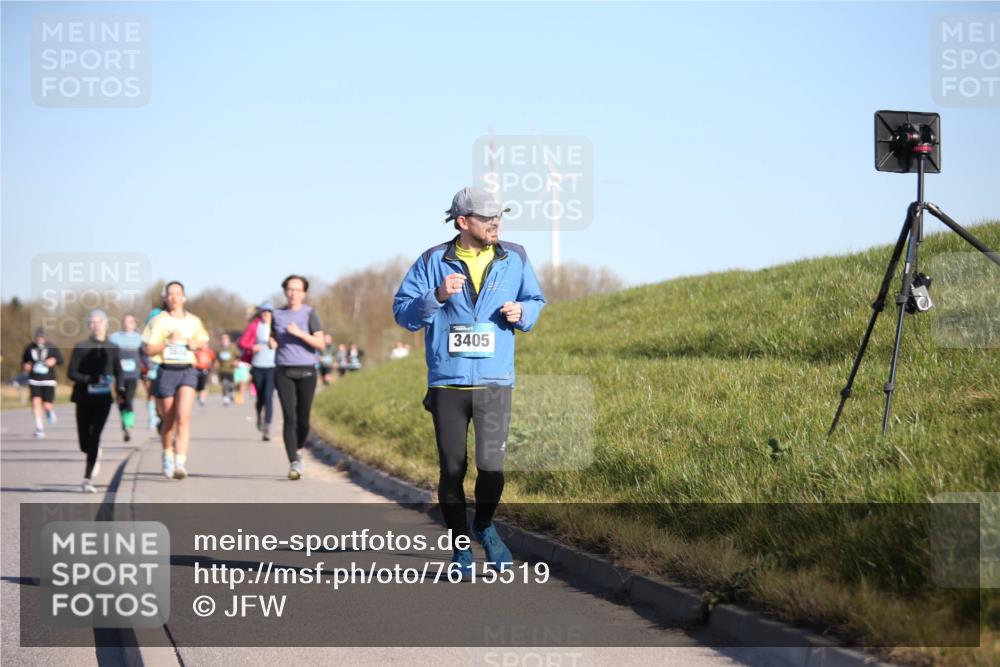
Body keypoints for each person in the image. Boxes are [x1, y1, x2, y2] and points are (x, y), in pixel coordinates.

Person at [393, 186, 545, 578]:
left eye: (499, 216)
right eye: (487, 217)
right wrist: (437, 295)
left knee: (491, 468)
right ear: (463, 222)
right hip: (449, 382)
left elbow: (536, 300)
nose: (496, 223)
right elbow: (404, 313)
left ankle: (484, 524)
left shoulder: (515, 257)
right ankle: (461, 546)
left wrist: (522, 311)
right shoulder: (431, 261)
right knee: (453, 469)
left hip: (495, 380)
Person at [142, 281, 210, 480]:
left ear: (184, 297)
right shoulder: (159, 321)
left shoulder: (194, 321)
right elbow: (148, 349)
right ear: (166, 298)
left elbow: (203, 341)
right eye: (170, 294)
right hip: (166, 371)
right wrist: (166, 343)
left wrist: (192, 343)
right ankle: (167, 456)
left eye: (177, 293)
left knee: (183, 417)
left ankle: (180, 463)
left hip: (187, 370)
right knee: (169, 421)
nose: (174, 297)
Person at [272, 275, 326, 480]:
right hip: (283, 371)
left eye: (297, 289)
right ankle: (294, 461)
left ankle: (299, 449)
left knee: (303, 419)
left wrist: (300, 334)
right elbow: (272, 336)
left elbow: (320, 343)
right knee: (290, 417)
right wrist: (270, 342)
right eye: (290, 289)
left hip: (307, 371)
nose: (293, 293)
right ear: (285, 291)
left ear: (304, 293)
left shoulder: (310, 314)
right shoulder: (277, 314)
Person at [67, 310, 121, 493]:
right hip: (83, 397)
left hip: (103, 398)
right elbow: (71, 373)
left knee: (95, 434)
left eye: (99, 322)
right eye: (92, 322)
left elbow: (119, 371)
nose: (96, 325)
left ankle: (87, 479)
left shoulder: (113, 347)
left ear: (106, 324)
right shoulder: (81, 346)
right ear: (89, 326)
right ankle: (94, 452)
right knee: (84, 441)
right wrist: (89, 379)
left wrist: (119, 388)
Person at [239, 301, 278, 440]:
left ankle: (267, 427)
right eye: (264, 311)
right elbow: (242, 342)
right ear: (260, 313)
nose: (266, 314)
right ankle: (259, 416)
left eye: (269, 312)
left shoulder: (276, 326)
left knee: (269, 397)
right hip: (257, 366)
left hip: (272, 367)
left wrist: (276, 343)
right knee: (260, 397)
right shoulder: (255, 325)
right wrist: (252, 347)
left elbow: (285, 342)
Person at [21, 328, 64, 438]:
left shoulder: (52, 347)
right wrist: (26, 366)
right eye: (38, 337)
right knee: (35, 403)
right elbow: (24, 362)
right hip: (34, 379)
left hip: (48, 380)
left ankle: (49, 411)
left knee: (47, 405)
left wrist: (53, 361)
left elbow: (60, 360)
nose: (39, 339)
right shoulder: (29, 347)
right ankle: (39, 428)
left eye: (42, 337)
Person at [109, 314, 144, 441]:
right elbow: (109, 356)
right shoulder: (114, 338)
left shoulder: (139, 339)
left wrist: (149, 369)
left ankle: (128, 426)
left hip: (133, 376)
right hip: (118, 376)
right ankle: (125, 423)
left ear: (135, 324)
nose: (127, 324)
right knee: (121, 401)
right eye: (125, 321)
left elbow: (144, 355)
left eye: (130, 321)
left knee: (129, 400)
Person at [215, 333, 239, 406]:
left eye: (226, 339)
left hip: (231, 369)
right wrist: (216, 362)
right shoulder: (219, 348)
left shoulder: (233, 347)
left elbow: (237, 356)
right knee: (224, 383)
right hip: (222, 369)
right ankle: (225, 397)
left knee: (231, 384)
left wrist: (236, 361)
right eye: (223, 339)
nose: (224, 340)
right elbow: (216, 357)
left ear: (229, 340)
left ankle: (231, 392)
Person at [193, 341, 216, 407]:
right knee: (196, 385)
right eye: (202, 344)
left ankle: (202, 399)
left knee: (203, 385)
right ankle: (197, 396)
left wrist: (212, 366)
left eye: (205, 344)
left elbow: (213, 360)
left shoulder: (210, 352)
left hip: (205, 370)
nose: (203, 346)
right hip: (197, 369)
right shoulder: (197, 351)